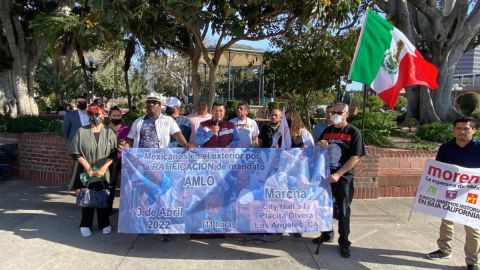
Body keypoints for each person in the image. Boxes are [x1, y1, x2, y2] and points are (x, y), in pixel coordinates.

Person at [121, 92, 192, 241]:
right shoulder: (138, 122)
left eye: (155, 102)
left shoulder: (168, 121)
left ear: (160, 106)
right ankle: (144, 225)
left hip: (161, 166)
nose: (151, 105)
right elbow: (129, 139)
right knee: (143, 196)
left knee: (163, 197)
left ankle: (165, 229)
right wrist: (125, 147)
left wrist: (185, 144)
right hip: (141, 167)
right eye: (149, 102)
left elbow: (177, 135)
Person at [425, 117, 480, 270]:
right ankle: (444, 250)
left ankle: (472, 261)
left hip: (472, 194)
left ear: (473, 130)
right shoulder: (445, 148)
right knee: (446, 221)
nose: (462, 131)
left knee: (473, 228)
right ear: (454, 130)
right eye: (458, 128)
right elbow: (438, 170)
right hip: (449, 192)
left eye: (466, 129)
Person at [315, 102, 365, 258]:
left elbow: (355, 157)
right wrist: (319, 143)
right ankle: (326, 233)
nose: (335, 114)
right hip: (326, 177)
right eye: (333, 111)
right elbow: (317, 149)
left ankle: (344, 242)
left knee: (343, 211)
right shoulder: (327, 131)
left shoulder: (353, 132)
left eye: (339, 112)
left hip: (343, 178)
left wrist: (339, 174)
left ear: (346, 114)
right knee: (324, 207)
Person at [69, 104, 118, 237]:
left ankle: (104, 223)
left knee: (103, 196)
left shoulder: (109, 132)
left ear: (103, 115)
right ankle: (85, 223)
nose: (95, 117)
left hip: (104, 172)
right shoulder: (81, 131)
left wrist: (103, 168)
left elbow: (114, 153)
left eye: (97, 115)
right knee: (87, 197)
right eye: (91, 115)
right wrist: (88, 168)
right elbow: (76, 152)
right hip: (86, 171)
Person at [63, 95, 91, 190]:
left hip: (88, 144)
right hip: (75, 144)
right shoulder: (70, 115)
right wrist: (71, 143)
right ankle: (75, 185)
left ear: (86, 103)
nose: (82, 103)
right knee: (76, 166)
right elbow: (65, 131)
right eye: (79, 102)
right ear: (76, 103)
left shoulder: (90, 114)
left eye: (84, 102)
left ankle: (86, 184)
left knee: (88, 164)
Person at [107, 106, 130, 215]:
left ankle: (126, 209)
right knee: (110, 184)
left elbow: (131, 142)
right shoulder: (105, 129)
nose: (116, 117)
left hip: (124, 159)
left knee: (126, 185)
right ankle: (108, 207)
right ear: (109, 117)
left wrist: (125, 145)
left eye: (119, 116)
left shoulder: (127, 129)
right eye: (114, 115)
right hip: (109, 160)